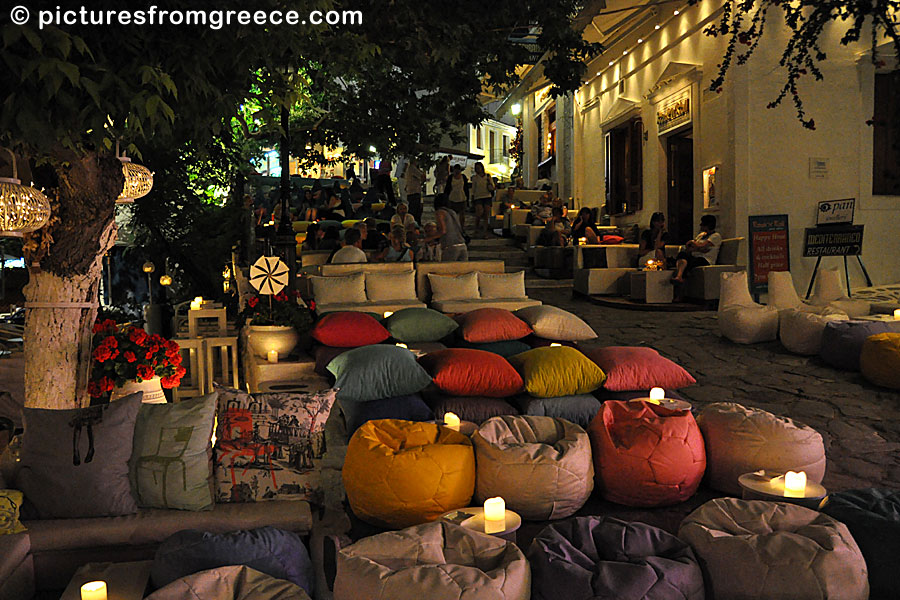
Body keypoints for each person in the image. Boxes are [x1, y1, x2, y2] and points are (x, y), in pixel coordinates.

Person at [672, 214, 722, 286]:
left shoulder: (716, 236)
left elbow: (702, 245)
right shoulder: (701, 235)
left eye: (702, 224)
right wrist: (698, 248)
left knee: (688, 264)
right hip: (695, 256)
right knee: (682, 254)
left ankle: (680, 287)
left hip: (705, 259)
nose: (700, 225)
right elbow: (692, 246)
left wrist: (695, 245)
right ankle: (679, 277)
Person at [426, 193, 468, 262]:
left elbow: (443, 230)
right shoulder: (452, 212)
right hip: (462, 244)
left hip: (450, 246)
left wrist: (428, 239)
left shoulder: (440, 213)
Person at [470, 162, 495, 238]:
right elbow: (473, 188)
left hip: (487, 196)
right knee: (479, 213)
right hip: (478, 197)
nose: (478, 169)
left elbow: (493, 186)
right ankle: (476, 229)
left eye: (479, 167)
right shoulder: (475, 178)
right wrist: (472, 197)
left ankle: (485, 232)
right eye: (476, 168)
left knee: (486, 215)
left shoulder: (487, 176)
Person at [403, 157, 426, 223]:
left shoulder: (409, 169)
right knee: (415, 209)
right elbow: (422, 176)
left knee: (414, 208)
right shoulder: (413, 168)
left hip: (411, 191)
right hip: (414, 191)